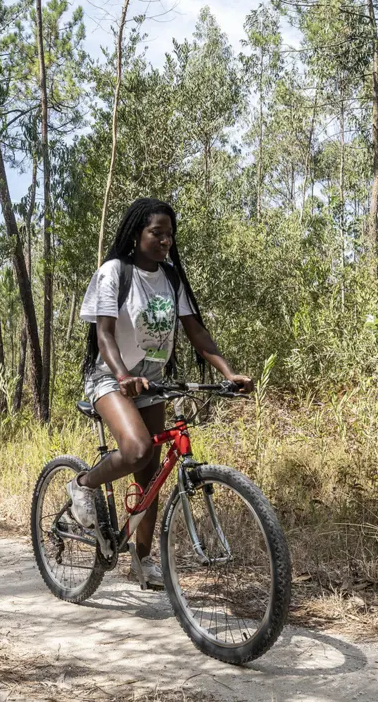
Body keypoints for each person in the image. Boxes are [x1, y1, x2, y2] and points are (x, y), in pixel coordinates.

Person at [70, 198, 253, 590]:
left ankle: (142, 559)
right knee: (137, 449)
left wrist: (228, 372)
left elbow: (195, 330)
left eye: (170, 235)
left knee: (150, 474)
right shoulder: (114, 272)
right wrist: (122, 375)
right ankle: (83, 484)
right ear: (137, 233)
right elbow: (104, 335)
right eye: (157, 233)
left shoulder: (171, 278)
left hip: (153, 380)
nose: (166, 241)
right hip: (110, 377)